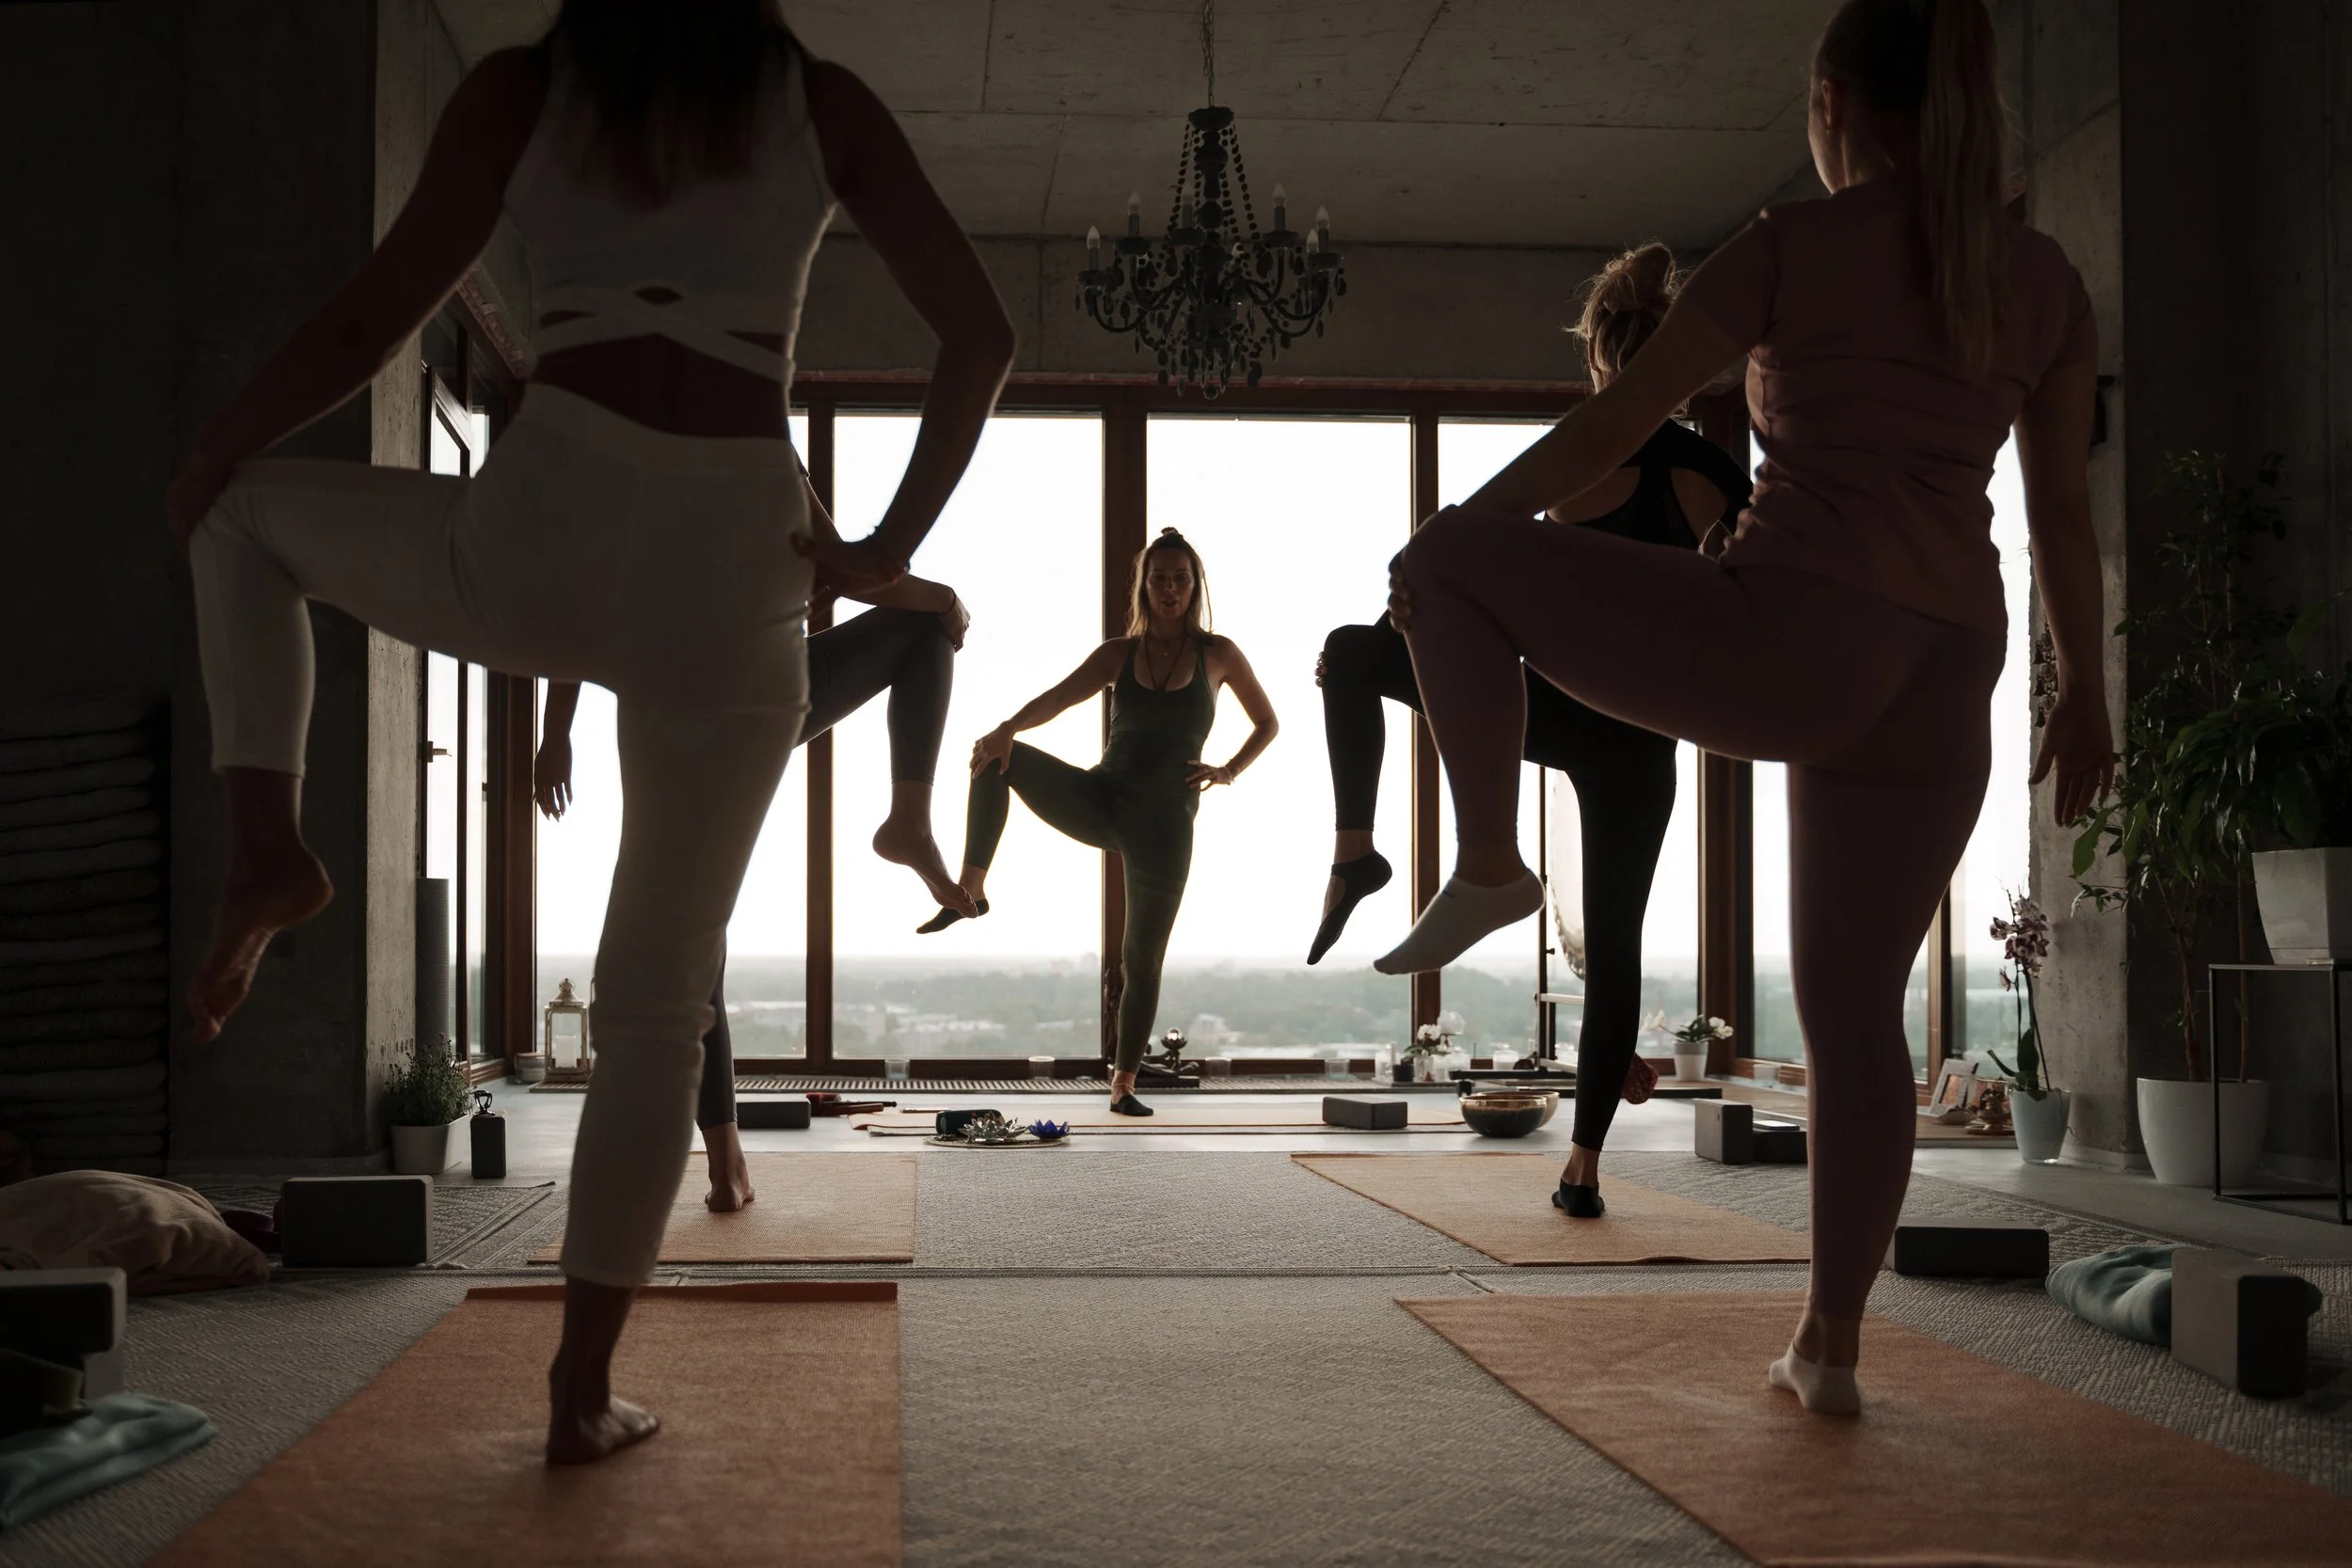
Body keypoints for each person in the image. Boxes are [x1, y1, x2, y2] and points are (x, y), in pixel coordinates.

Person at [165, 0, 1013, 1463]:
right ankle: (581, 1383)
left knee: (245, 514)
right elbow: (980, 336)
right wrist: (879, 552)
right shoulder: (823, 101)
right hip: (741, 555)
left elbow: (373, 321)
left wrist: (212, 439)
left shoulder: (522, 89)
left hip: (551, 523)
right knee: (652, 1004)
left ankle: (266, 845)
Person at [1380, 0, 2109, 1414]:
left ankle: (1485, 853)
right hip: (1951, 662)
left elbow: (1613, 425)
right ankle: (1827, 1348)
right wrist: (2083, 696)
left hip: (1801, 631)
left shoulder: (1794, 247)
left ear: (1833, 103)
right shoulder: (2042, 276)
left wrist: (1456, 535)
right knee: (1854, 1015)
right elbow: (2065, 516)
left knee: (1451, 563)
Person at [1311, 244, 1750, 1212]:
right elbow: (1751, 594)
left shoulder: (1574, 465)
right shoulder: (1712, 471)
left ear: (1597, 361)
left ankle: (1359, 851)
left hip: (1559, 712)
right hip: (1643, 739)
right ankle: (1583, 1168)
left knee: (1349, 653)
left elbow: (1497, 588)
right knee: (1619, 951)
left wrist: (1403, 615)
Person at [533, 464, 974, 1212]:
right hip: (683, 712)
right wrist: (554, 731)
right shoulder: (642, 471)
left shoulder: (773, 457)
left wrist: (941, 598)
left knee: (924, 626)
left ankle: (909, 820)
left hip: (767, 685)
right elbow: (585, 606)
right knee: (688, 934)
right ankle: (724, 1154)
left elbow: (853, 570)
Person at [920, 530, 1278, 1115]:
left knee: (1142, 958)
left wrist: (1227, 770)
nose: (1169, 589)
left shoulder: (1221, 654)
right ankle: (972, 890)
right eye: (1159, 578)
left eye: (1180, 579)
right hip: (1101, 798)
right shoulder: (1119, 653)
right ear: (1145, 585)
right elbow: (1058, 699)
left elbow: (1267, 722)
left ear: (1195, 586)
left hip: (1165, 828)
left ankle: (1123, 1084)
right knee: (995, 756)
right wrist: (1008, 726)